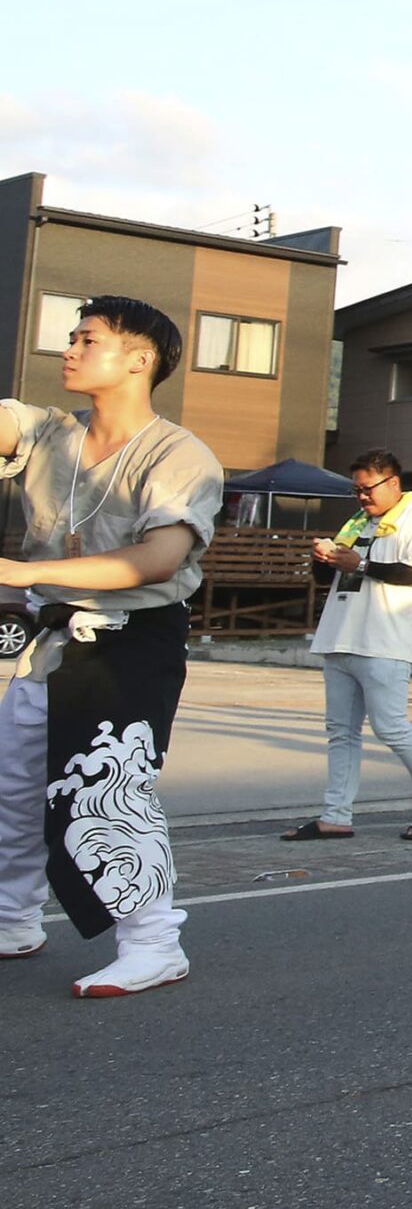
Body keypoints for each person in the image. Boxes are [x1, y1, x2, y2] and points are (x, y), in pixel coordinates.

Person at [0, 297, 223, 997]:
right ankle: (13, 917)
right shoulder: (44, 432)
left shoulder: (180, 454)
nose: (68, 348)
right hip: (52, 635)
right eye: (70, 336)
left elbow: (157, 558)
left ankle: (155, 943)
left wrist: (30, 571)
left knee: (109, 790)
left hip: (133, 639)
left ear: (139, 358)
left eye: (87, 338)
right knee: (13, 784)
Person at [279, 450, 412, 842]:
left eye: (367, 488)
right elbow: (333, 575)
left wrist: (357, 564)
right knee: (340, 732)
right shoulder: (358, 521)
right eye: (356, 489)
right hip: (341, 637)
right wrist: (324, 559)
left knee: (390, 726)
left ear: (393, 483)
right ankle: (335, 816)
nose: (361, 496)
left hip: (384, 641)